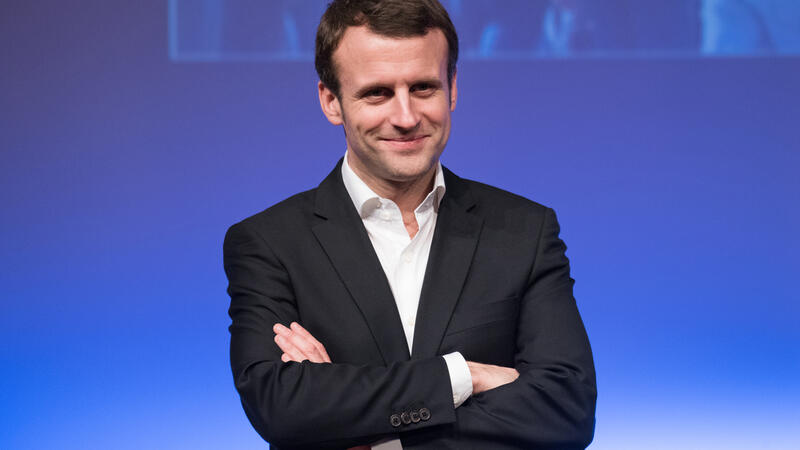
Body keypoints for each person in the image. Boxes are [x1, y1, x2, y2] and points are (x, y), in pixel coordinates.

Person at [223, 1, 596, 448]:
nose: (405, 117)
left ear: (452, 88)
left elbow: (567, 410)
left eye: (423, 87)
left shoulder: (526, 231)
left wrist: (354, 420)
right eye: (377, 93)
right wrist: (465, 376)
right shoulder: (269, 243)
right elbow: (283, 409)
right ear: (331, 101)